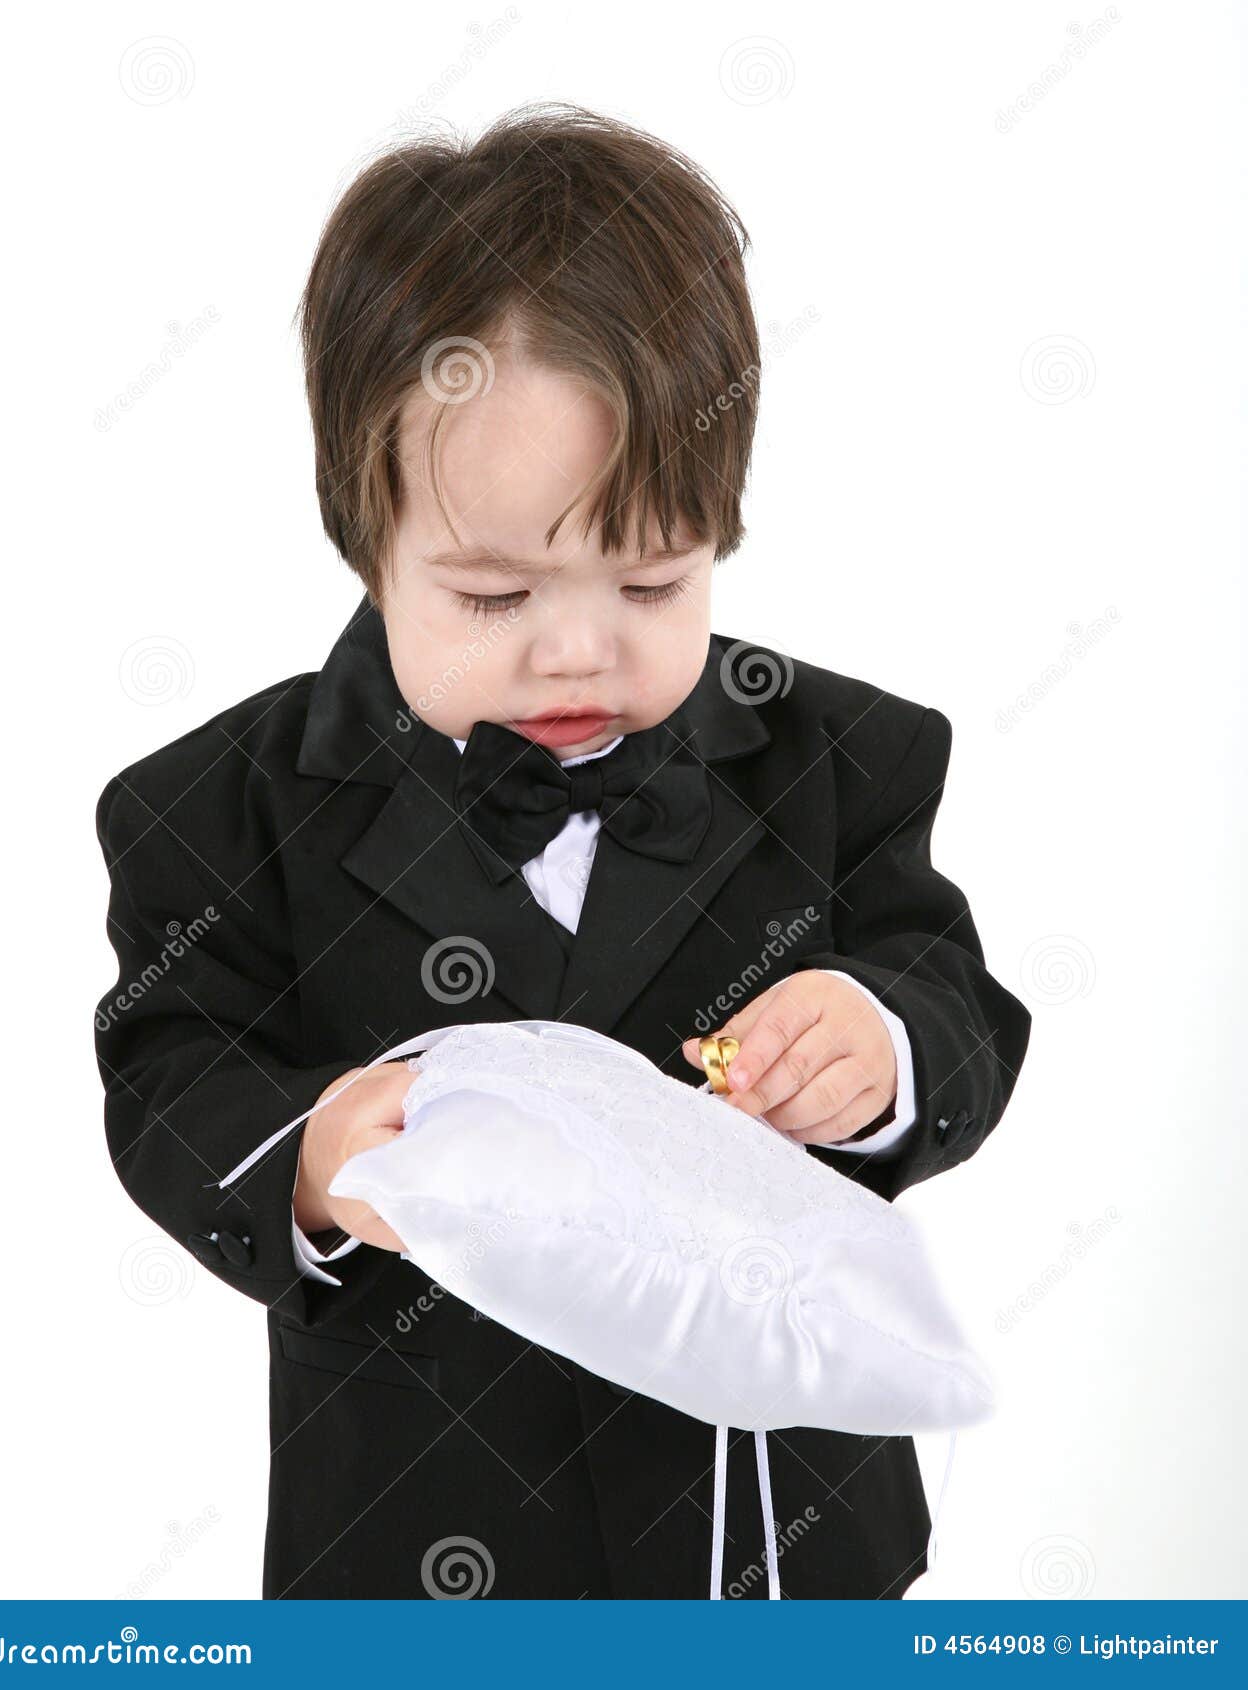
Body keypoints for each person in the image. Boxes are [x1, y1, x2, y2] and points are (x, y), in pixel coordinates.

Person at [93, 102, 1031, 1600]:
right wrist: (316, 1159)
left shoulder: (843, 758)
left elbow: (954, 995)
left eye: (652, 577)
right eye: (490, 596)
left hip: (774, 1539)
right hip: (422, 1539)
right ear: (365, 537)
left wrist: (880, 1038)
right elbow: (170, 1075)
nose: (578, 648)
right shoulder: (215, 806)